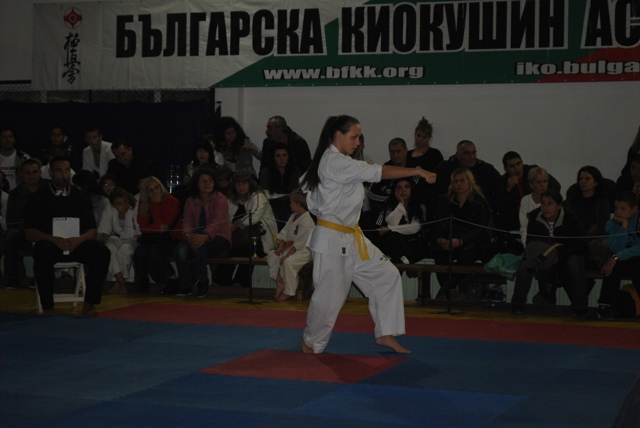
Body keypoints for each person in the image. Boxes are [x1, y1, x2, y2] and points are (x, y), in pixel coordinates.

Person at [299, 115, 437, 355]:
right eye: (354, 137)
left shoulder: (340, 161)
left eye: (359, 137)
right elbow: (379, 172)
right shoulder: (334, 161)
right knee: (330, 297)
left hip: (352, 237)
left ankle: (385, 332)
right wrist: (417, 170)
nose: (358, 142)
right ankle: (311, 342)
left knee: (386, 275)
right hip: (332, 240)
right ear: (338, 135)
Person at [24, 156, 110, 316]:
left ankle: (90, 303)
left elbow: (92, 230)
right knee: (42, 252)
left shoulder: (80, 196)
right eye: (59, 171)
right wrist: (52, 239)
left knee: (102, 252)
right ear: (50, 172)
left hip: (76, 244)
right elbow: (29, 232)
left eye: (66, 170)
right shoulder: (38, 197)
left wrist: (79, 240)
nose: (63, 175)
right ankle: (48, 306)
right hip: (50, 244)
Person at [511, 189, 589, 316]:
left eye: (550, 203)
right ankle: (517, 304)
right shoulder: (534, 216)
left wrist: (560, 256)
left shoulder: (571, 218)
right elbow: (531, 241)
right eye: (543, 203)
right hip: (543, 255)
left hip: (567, 255)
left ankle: (580, 307)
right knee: (526, 266)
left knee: (575, 262)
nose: (545, 207)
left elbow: (580, 244)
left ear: (559, 206)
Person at [431, 168, 494, 296]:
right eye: (456, 181)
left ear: (470, 182)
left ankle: (445, 291)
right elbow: (437, 224)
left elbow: (479, 229)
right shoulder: (446, 202)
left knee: (467, 254)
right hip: (450, 240)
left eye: (462, 180)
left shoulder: (480, 202)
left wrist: (460, 241)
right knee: (439, 254)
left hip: (472, 242)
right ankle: (448, 290)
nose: (459, 184)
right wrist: (440, 239)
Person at [171, 167, 232, 297]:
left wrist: (205, 236)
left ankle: (202, 280)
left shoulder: (220, 199)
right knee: (180, 249)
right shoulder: (191, 200)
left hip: (220, 239)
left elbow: (217, 222)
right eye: (203, 181)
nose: (207, 184)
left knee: (199, 246)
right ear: (196, 183)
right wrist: (187, 235)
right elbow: (187, 221)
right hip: (196, 237)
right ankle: (185, 285)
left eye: (210, 181)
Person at [214, 170, 277, 287]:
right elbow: (225, 218)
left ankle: (240, 283)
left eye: (244, 183)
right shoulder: (232, 199)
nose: (241, 187)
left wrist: (236, 225)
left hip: (260, 239)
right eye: (238, 184)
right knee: (227, 250)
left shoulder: (258, 196)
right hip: (237, 238)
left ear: (250, 184)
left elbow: (255, 216)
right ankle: (220, 282)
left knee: (247, 251)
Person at [494, 152, 561, 250]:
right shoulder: (503, 181)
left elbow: (556, 186)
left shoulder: (533, 172)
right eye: (512, 166)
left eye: (518, 164)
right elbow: (500, 207)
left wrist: (545, 199)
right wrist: (508, 190)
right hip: (516, 218)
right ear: (506, 169)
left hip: (540, 210)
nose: (517, 169)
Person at [590, 191, 640, 320]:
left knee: (636, 264)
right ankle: (604, 306)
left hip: (635, 257)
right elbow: (616, 248)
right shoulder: (612, 223)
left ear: (634, 209)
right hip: (623, 256)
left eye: (623, 209)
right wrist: (624, 226)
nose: (618, 212)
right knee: (611, 267)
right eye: (616, 208)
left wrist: (617, 256)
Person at [3, 159, 46, 289]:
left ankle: (40, 278)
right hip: (23, 233)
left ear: (40, 173)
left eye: (35, 172)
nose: (31, 176)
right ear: (21, 174)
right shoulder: (15, 194)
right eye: (27, 172)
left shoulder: (50, 189)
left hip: (46, 233)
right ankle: (13, 279)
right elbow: (11, 220)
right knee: (10, 234)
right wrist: (29, 229)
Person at [365, 178, 428, 265]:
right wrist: (401, 205)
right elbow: (392, 222)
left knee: (393, 238)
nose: (403, 190)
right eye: (399, 188)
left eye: (407, 187)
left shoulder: (420, 206)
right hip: (395, 243)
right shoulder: (389, 205)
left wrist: (390, 228)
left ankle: (406, 263)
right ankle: (407, 264)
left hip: (413, 242)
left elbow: (415, 228)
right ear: (394, 191)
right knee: (391, 237)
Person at [266, 188, 314, 301]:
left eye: (291, 203)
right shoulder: (293, 216)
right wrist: (280, 247)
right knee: (272, 256)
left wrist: (287, 255)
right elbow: (285, 232)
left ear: (298, 204)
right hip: (291, 248)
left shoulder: (307, 221)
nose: (290, 205)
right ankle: (280, 282)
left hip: (304, 251)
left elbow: (300, 243)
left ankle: (289, 291)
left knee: (288, 262)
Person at [134, 176, 180, 293]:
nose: (155, 191)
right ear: (146, 193)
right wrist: (155, 228)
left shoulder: (172, 201)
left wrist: (155, 204)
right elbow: (143, 227)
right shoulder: (144, 203)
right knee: (140, 251)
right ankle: (143, 281)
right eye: (150, 190)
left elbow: (164, 226)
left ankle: (173, 279)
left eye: (156, 188)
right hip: (152, 239)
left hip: (170, 238)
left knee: (154, 250)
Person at [434, 140, 501, 210]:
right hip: (450, 210)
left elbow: (500, 187)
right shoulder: (444, 169)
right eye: (466, 153)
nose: (471, 157)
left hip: (480, 211)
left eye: (473, 153)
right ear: (458, 155)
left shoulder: (486, 170)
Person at [98, 187, 141, 294]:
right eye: (119, 204)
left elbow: (139, 230)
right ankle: (122, 284)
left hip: (133, 238)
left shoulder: (135, 206)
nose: (124, 206)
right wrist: (107, 246)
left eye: (125, 202)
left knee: (124, 250)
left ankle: (119, 283)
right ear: (113, 204)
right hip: (116, 237)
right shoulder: (109, 208)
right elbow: (105, 229)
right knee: (108, 250)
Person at [259, 143, 303, 225]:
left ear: (289, 156)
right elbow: (265, 195)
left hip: (291, 207)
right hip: (272, 207)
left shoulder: (296, 171)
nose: (282, 159)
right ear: (273, 157)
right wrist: (285, 196)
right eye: (278, 156)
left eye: (284, 155)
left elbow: (297, 194)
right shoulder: (266, 172)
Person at [368, 138, 411, 211]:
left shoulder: (414, 167)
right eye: (392, 152)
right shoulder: (386, 168)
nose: (395, 155)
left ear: (406, 151)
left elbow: (417, 191)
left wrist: (387, 190)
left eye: (398, 151)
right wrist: (394, 197)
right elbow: (372, 194)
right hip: (390, 209)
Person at [519, 167, 550, 246]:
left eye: (545, 181)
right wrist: (527, 246)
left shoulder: (553, 201)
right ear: (531, 185)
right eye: (539, 182)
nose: (542, 185)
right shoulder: (525, 200)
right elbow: (524, 227)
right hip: (531, 243)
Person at [0, 126, 31, 190]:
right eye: (4, 137)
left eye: (10, 137)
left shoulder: (24, 158)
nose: (8, 140)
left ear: (14, 140)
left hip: (19, 194)